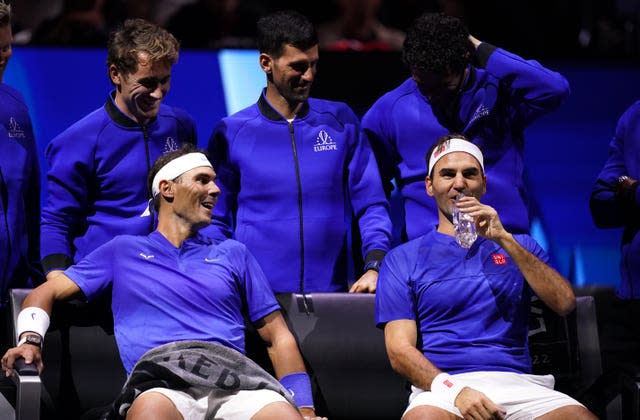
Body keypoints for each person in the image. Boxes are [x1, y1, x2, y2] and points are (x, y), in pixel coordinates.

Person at [1, 145, 326, 420]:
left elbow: (278, 337)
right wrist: (30, 340)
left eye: (214, 182)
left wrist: (305, 407)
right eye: (203, 180)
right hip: (161, 383)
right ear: (167, 189)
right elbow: (45, 292)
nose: (215, 190)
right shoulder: (122, 251)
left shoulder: (233, 253)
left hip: (236, 382)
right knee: (151, 411)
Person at [375, 134, 597, 419]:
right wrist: (455, 391)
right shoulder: (402, 258)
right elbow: (398, 351)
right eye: (447, 174)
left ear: (484, 183)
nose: (459, 183)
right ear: (430, 186)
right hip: (443, 388)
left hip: (521, 385)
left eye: (469, 174)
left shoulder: (521, 245)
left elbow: (565, 303)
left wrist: (504, 238)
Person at [206, 10, 392, 294]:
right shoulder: (232, 133)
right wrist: (227, 275)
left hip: (332, 296)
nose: (309, 76)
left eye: (314, 65)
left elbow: (371, 204)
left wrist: (375, 264)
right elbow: (212, 218)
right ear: (266, 63)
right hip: (257, 302)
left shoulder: (341, 122)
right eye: (298, 66)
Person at [362, 12, 570, 242]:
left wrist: (479, 48)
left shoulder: (499, 92)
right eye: (422, 85)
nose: (431, 97)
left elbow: (555, 89)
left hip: (506, 247)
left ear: (466, 58)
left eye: (444, 87)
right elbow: (370, 195)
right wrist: (376, 257)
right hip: (428, 258)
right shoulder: (388, 112)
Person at [40, 18, 197, 282]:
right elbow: (57, 221)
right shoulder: (79, 140)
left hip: (172, 279)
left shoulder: (181, 126)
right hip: (104, 284)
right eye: (147, 83)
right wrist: (58, 280)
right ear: (116, 74)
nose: (158, 93)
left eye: (164, 81)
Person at [589, 101, 640, 415]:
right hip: (634, 300)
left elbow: (619, 192)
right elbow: (600, 205)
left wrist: (632, 191)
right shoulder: (635, 116)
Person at [0, 2, 42, 348]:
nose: (4, 56)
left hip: (8, 292)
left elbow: (30, 197)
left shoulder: (15, 105)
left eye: (6, 46)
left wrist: (33, 271)